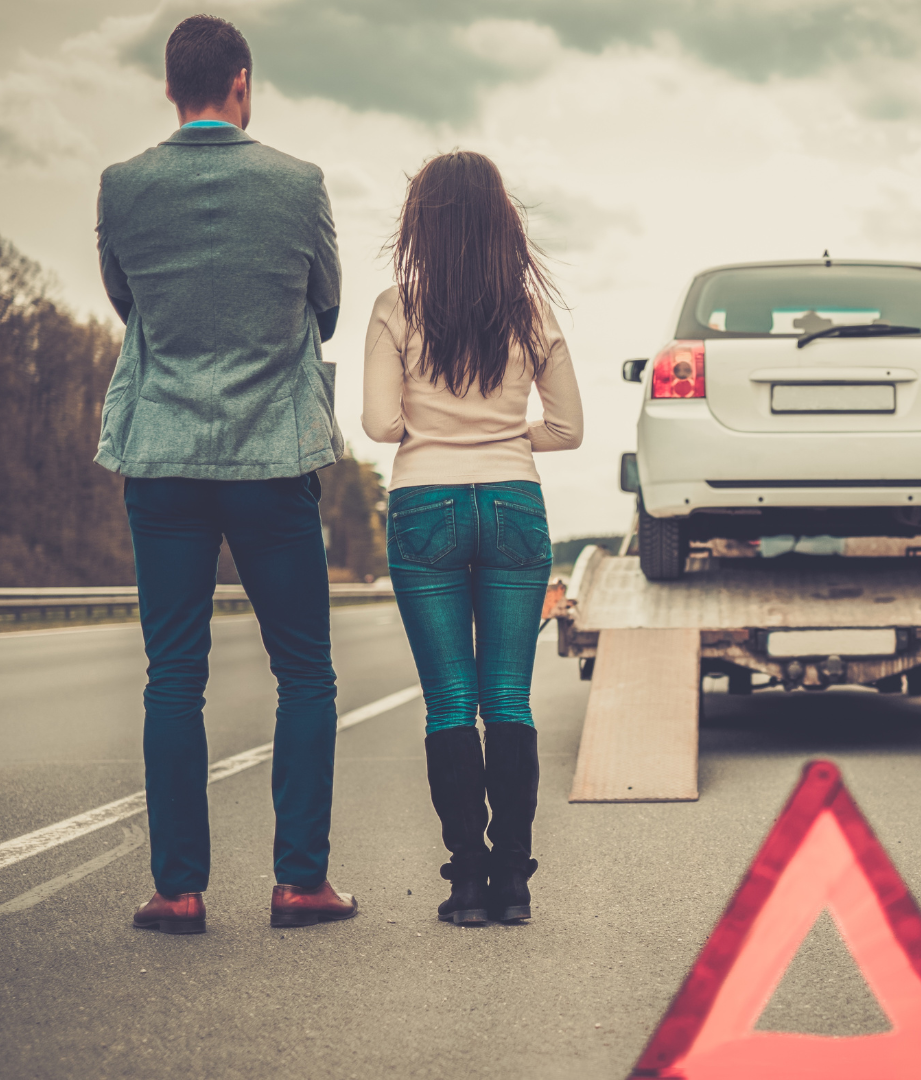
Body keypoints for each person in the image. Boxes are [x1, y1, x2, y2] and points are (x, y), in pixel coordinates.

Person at [95, 14, 356, 933]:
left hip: (162, 459)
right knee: (306, 674)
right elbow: (325, 304)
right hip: (269, 458)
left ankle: (177, 889)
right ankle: (299, 882)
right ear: (241, 83)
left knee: (173, 675)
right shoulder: (299, 184)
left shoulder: (122, 187)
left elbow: (126, 301)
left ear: (171, 87)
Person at [362, 151, 584, 925]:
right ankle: (514, 885)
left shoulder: (396, 307)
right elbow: (568, 428)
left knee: (450, 702)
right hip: (515, 502)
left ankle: (465, 882)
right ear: (503, 225)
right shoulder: (531, 313)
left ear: (420, 225)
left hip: (426, 503)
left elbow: (382, 425)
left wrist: (438, 430)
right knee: (510, 699)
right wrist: (503, 435)